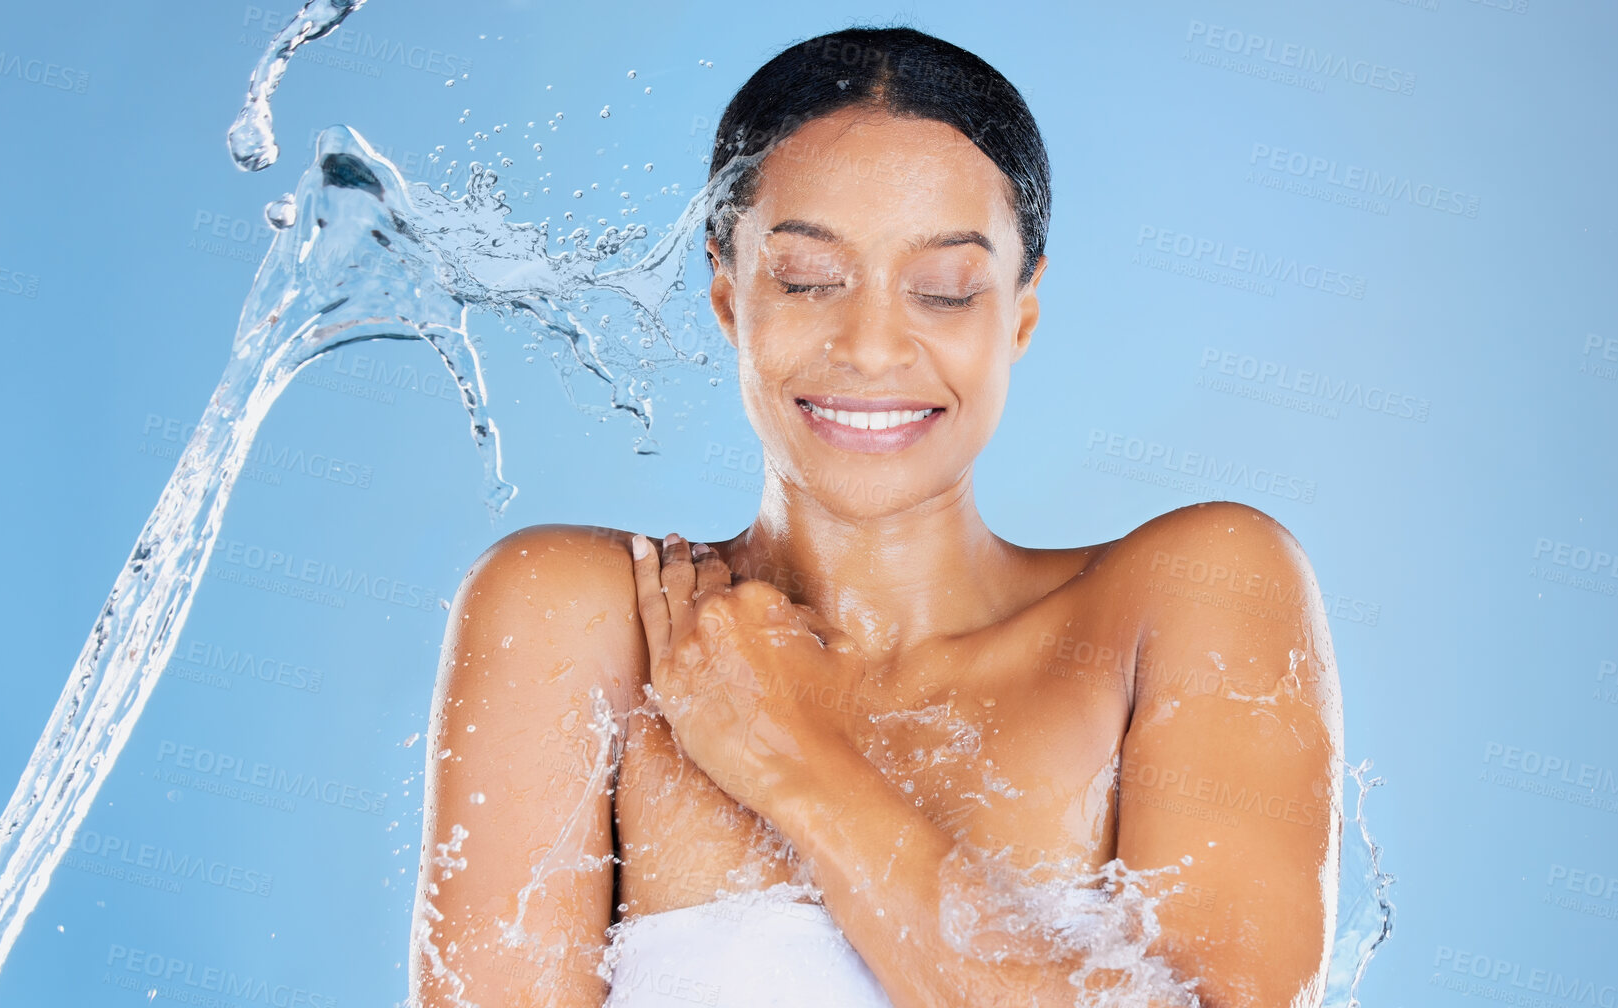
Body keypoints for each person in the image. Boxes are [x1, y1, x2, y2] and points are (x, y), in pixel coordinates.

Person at [410, 25, 1343, 1008]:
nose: (869, 347)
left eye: (942, 292)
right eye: (809, 280)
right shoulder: (582, 620)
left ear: (1018, 316)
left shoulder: (1190, 594)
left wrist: (797, 762)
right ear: (729, 296)